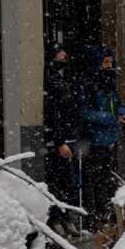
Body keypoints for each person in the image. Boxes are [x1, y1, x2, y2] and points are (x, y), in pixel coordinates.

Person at [82, 47, 125, 229]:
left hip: (109, 138)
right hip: (94, 140)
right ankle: (93, 216)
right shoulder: (89, 84)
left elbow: (117, 103)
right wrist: (111, 118)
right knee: (93, 180)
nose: (109, 66)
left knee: (105, 178)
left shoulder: (109, 83)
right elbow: (85, 113)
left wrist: (122, 113)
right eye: (106, 63)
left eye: (111, 62)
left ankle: (104, 213)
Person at [43, 46, 84, 234]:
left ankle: (66, 217)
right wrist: (59, 141)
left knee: (69, 182)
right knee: (60, 181)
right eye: (60, 52)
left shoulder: (59, 78)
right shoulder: (50, 80)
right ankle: (57, 218)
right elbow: (54, 112)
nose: (64, 56)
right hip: (60, 139)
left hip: (68, 137)